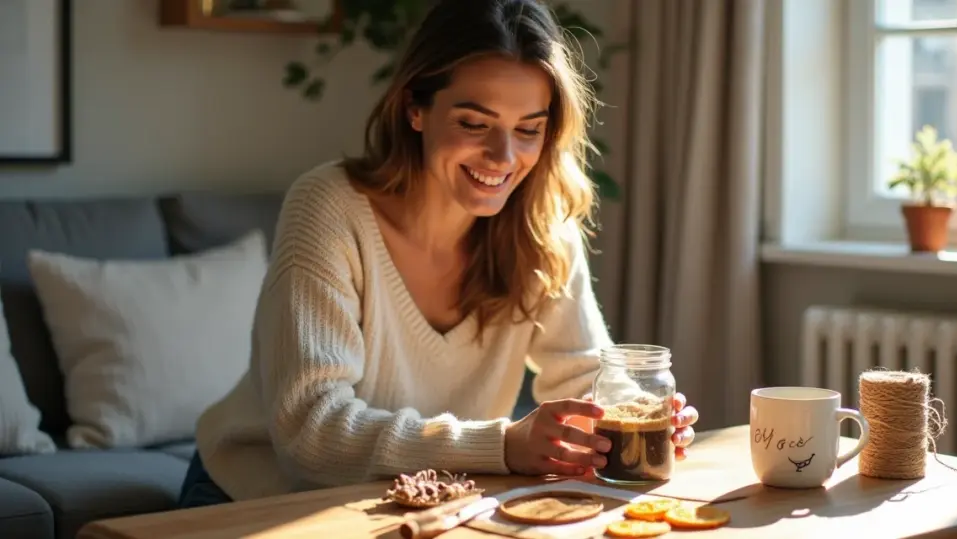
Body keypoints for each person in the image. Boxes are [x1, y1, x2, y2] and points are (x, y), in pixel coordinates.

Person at [178, 0, 699, 508]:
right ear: (414, 108)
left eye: (528, 129)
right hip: (254, 494)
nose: (504, 157)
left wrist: (637, 408)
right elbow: (313, 432)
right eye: (475, 124)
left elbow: (585, 375)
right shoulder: (329, 209)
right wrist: (502, 445)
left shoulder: (541, 226)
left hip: (421, 498)